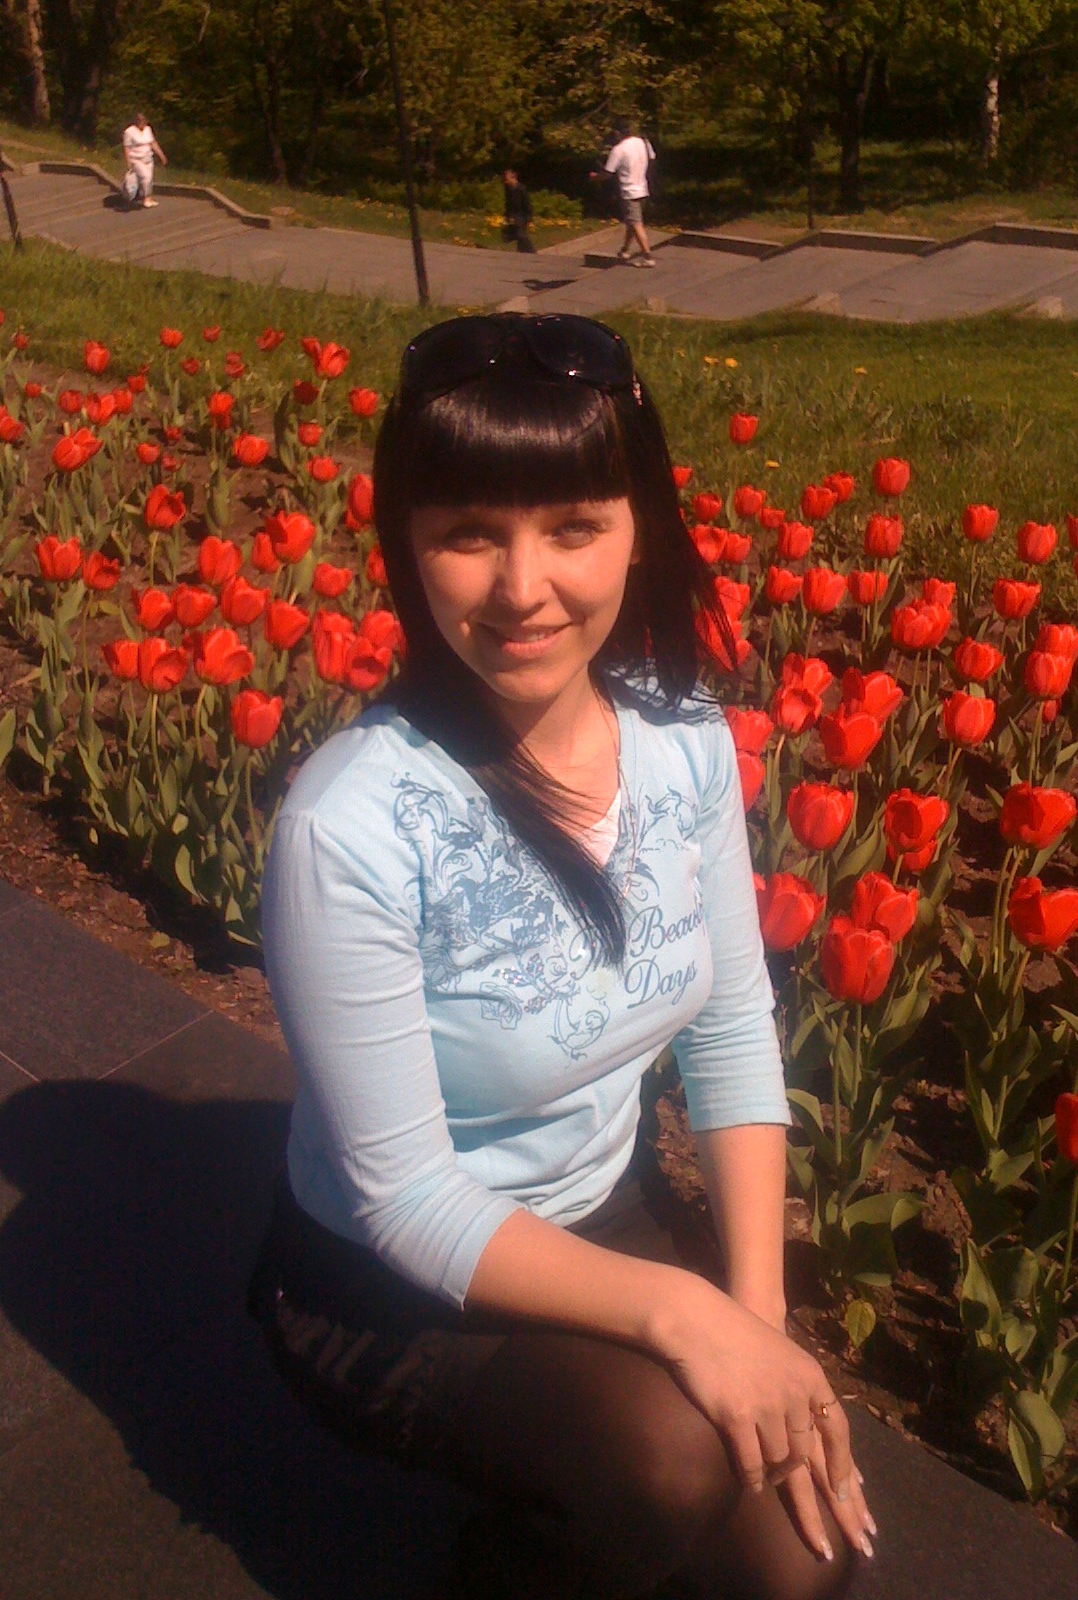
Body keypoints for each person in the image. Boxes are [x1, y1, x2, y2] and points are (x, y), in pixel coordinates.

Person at [250, 311, 875, 1600]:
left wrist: (758, 1322)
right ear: (408, 543)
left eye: (574, 526)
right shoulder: (350, 825)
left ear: (640, 523)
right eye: (470, 532)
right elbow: (404, 1199)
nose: (522, 587)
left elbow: (731, 1029)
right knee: (673, 1466)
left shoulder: (683, 739)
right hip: (385, 1281)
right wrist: (684, 1313)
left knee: (802, 1561)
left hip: (599, 1208)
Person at [591, 118, 657, 267]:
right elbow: (652, 156)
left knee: (636, 223)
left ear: (617, 133)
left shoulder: (619, 149)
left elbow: (608, 172)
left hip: (629, 191)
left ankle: (647, 257)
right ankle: (625, 250)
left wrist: (595, 177)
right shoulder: (642, 142)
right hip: (643, 188)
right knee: (631, 222)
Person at [121, 111, 167, 209]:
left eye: (145, 121)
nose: (144, 123)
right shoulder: (129, 131)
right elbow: (127, 147)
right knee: (146, 177)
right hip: (136, 159)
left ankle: (147, 198)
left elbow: (152, 143)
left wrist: (161, 155)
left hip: (148, 158)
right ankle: (141, 196)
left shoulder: (148, 129)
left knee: (149, 179)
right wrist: (128, 162)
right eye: (141, 121)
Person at [502, 168, 536, 253]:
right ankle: (521, 251)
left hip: (522, 214)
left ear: (513, 177)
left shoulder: (521, 189)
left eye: (507, 178)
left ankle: (531, 251)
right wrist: (507, 215)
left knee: (521, 234)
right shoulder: (508, 188)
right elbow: (508, 203)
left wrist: (529, 217)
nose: (506, 181)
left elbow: (527, 204)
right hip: (514, 214)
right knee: (518, 233)